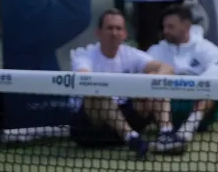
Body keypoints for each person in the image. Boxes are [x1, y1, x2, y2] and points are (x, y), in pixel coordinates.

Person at [69, 10, 180, 159]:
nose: (114, 33)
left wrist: (152, 80)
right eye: (109, 28)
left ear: (124, 34)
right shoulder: (85, 55)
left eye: (118, 28)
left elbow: (167, 68)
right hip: (92, 128)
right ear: (98, 33)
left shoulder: (130, 54)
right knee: (95, 93)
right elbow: (84, 78)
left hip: (127, 118)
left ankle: (167, 134)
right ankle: (132, 139)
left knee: (157, 82)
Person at [145, 5, 218, 144]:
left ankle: (187, 131)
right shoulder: (155, 50)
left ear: (186, 26)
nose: (165, 31)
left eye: (171, 27)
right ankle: (166, 132)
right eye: (164, 27)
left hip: (199, 107)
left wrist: (192, 87)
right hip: (167, 107)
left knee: (214, 87)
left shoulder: (206, 48)